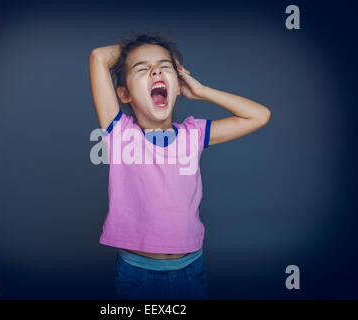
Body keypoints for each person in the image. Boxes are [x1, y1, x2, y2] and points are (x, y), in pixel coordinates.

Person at [88, 33, 271, 300]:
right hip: (139, 274)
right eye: (142, 68)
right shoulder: (120, 133)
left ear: (178, 84)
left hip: (191, 268)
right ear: (124, 94)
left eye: (165, 66)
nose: (155, 70)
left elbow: (259, 115)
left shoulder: (193, 133)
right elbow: (98, 57)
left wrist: (202, 91)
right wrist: (139, 49)